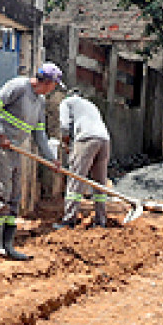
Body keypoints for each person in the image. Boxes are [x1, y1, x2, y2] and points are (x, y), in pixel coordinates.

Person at [0, 62, 62, 260]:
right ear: (47, 82)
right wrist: (0, 134)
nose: (54, 89)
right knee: (0, 191)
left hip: (14, 148)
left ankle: (8, 244)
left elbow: (39, 134)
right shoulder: (19, 86)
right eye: (55, 85)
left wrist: (51, 159)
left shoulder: (40, 101)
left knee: (15, 195)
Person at [56, 90, 114, 228]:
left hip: (86, 139)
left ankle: (69, 220)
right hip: (104, 140)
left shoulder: (66, 102)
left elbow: (64, 126)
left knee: (76, 180)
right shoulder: (91, 105)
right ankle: (100, 220)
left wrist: (66, 143)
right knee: (99, 183)